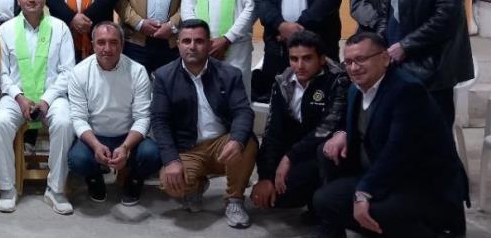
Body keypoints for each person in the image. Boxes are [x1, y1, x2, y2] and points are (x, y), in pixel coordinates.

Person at [314, 33, 468, 238]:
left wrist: (363, 192)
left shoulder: (407, 91)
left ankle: (434, 230)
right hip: (382, 173)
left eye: (361, 59)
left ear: (385, 58)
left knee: (378, 210)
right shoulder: (356, 88)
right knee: (325, 196)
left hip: (420, 182)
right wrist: (341, 133)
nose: (354, 68)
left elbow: (398, 153)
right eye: (348, 62)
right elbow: (350, 123)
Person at [151, 19, 257, 229]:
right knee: (170, 183)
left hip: (222, 144)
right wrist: (171, 161)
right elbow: (159, 121)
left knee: (247, 142)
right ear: (178, 44)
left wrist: (236, 140)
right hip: (188, 148)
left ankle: (234, 200)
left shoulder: (230, 74)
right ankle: (197, 184)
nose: (192, 46)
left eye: (199, 41)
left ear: (209, 44)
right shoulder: (163, 76)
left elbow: (243, 111)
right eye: (186, 41)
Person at [0, 0, 76, 214]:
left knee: (65, 122)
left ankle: (55, 189)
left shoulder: (60, 28)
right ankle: (7, 188)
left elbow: (68, 71)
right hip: (15, 97)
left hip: (53, 96)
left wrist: (47, 100)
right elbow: (1, 73)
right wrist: (19, 97)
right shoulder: (5, 30)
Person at [251, 31, 347, 216]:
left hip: (321, 150)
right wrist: (266, 177)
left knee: (325, 153)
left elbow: (327, 128)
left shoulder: (338, 80)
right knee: (274, 197)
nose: (299, 66)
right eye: (294, 59)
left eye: (307, 58)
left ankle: (322, 207)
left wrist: (289, 158)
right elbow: (272, 131)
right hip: (296, 147)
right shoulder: (282, 82)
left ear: (322, 59)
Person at [67, 22, 160, 207]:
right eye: (101, 42)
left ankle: (134, 179)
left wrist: (125, 147)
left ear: (122, 45)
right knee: (77, 159)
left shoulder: (137, 71)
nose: (107, 48)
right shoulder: (79, 73)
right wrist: (95, 146)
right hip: (95, 136)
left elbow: (142, 117)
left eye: (113, 42)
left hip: (127, 136)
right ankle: (94, 178)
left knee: (153, 154)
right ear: (93, 45)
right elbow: (78, 118)